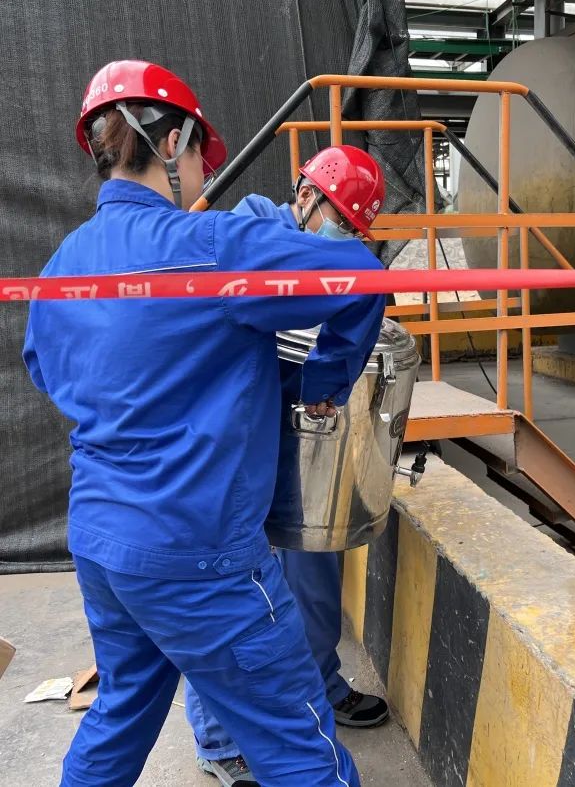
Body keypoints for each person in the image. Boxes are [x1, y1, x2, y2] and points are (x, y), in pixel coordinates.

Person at [22, 59, 386, 786]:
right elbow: (361, 276)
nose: (200, 172)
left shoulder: (63, 264)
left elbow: (43, 365)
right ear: (173, 142)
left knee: (120, 713)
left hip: (101, 540)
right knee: (299, 745)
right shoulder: (212, 247)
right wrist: (318, 382)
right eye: (198, 156)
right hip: (198, 550)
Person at [186, 145, 389, 786]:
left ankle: (320, 679)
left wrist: (325, 383)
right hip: (230, 440)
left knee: (313, 559)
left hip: (290, 432)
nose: (345, 237)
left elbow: (363, 289)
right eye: (340, 220)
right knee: (224, 598)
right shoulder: (246, 232)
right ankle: (220, 742)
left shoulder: (326, 256)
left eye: (355, 230)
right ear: (305, 196)